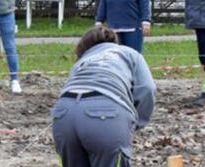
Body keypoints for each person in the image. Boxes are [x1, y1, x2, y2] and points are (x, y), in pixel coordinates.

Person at [51, 27, 156, 167]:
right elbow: (147, 88)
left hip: (63, 113)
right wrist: (138, 122)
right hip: (107, 113)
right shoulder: (130, 54)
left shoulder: (82, 61)